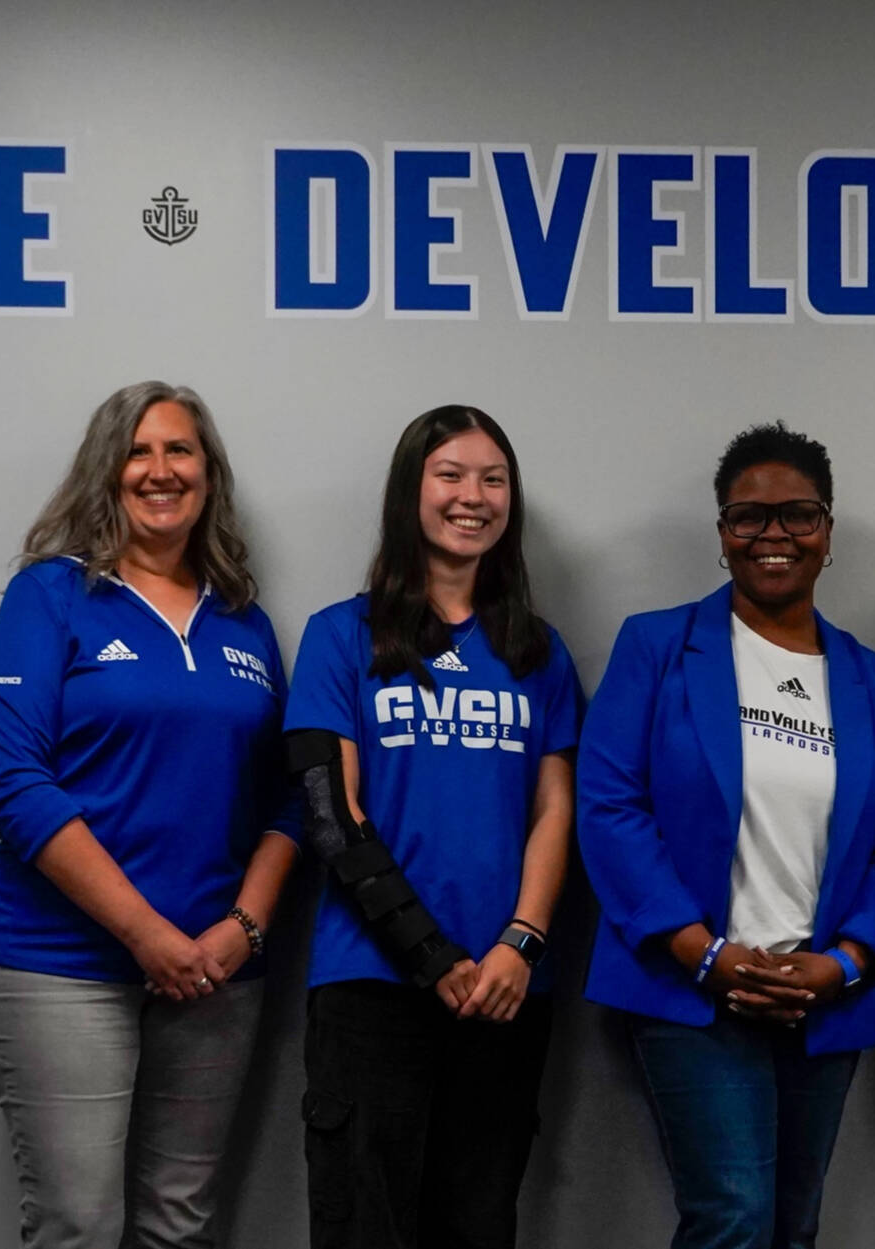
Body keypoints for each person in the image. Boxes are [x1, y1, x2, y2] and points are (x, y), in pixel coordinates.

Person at [578, 421, 875, 1249]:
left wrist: (843, 962)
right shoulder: (657, 647)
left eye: (797, 515)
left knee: (792, 1230)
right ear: (722, 535)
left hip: (823, 996)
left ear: (827, 531)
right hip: (693, 989)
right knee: (731, 1222)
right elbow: (609, 805)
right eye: (748, 517)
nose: (773, 535)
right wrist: (702, 951)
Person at [0, 381, 300, 1248]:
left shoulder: (246, 624)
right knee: (79, 1224)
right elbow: (16, 783)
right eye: (138, 451)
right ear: (106, 472)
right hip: (59, 964)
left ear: (208, 472)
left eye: (179, 450)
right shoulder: (50, 596)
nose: (160, 470)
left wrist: (244, 928)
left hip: (216, 973)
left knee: (179, 1225)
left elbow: (285, 797)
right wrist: (147, 933)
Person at [284, 405, 581, 1249]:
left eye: (493, 479)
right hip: (373, 985)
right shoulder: (340, 636)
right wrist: (431, 953)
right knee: (364, 1228)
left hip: (504, 990)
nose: (472, 496)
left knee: (477, 1228)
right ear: (410, 490)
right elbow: (329, 814)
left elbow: (555, 809)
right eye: (449, 475)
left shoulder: (539, 651)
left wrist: (519, 943)